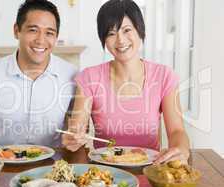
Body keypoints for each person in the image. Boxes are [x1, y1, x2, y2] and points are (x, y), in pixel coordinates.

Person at [62, 0, 190, 164]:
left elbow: (177, 131)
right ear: (103, 39)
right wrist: (74, 137)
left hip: (149, 172)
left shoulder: (164, 75)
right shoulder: (89, 77)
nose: (120, 40)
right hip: (104, 176)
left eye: (127, 30)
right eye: (111, 33)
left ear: (140, 30)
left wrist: (180, 150)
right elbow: (78, 128)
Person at [0, 0, 77, 149]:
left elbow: (77, 125)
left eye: (49, 33)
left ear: (56, 37)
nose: (41, 40)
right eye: (33, 30)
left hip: (53, 165)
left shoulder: (72, 75)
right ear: (16, 30)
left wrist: (75, 136)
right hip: (3, 162)